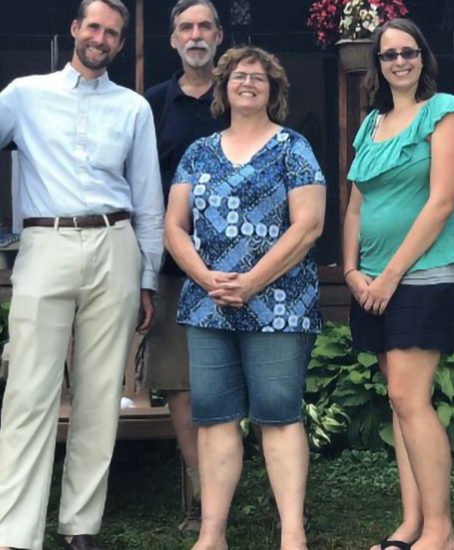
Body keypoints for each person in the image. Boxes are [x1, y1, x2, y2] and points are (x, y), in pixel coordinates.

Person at [0, 0, 165, 550]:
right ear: (75, 29)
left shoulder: (134, 108)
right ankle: (15, 534)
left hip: (116, 243)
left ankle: (80, 525)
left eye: (113, 33)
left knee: (98, 394)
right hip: (45, 242)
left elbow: (149, 198)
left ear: (120, 41)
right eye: (94, 27)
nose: (101, 39)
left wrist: (147, 276)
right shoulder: (24, 95)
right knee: (29, 391)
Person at [164, 45, 325, 550]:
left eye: (259, 77)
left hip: (281, 304)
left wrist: (253, 279)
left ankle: (292, 535)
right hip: (207, 304)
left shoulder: (293, 148)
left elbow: (309, 225)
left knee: (278, 414)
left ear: (273, 90)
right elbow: (173, 226)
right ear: (223, 87)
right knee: (213, 418)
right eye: (238, 75)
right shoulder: (199, 152)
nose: (248, 83)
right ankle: (212, 533)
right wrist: (207, 278)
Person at [343, 18, 454, 550]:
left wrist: (390, 275)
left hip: (424, 274)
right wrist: (351, 271)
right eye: (389, 54)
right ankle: (411, 524)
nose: (399, 62)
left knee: (407, 395)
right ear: (377, 63)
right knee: (400, 403)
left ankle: (440, 532)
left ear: (423, 58)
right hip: (370, 280)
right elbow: (356, 203)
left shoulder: (444, 112)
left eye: (408, 52)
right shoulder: (370, 124)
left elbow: (441, 202)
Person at [144, 0, 226, 530]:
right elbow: (142, 188)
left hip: (243, 271)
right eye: (186, 28)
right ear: (174, 39)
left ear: (220, 36)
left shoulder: (243, 94)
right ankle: (203, 500)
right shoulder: (151, 104)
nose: (196, 35)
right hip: (176, 271)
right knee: (180, 384)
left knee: (246, 383)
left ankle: (256, 489)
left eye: (205, 27)